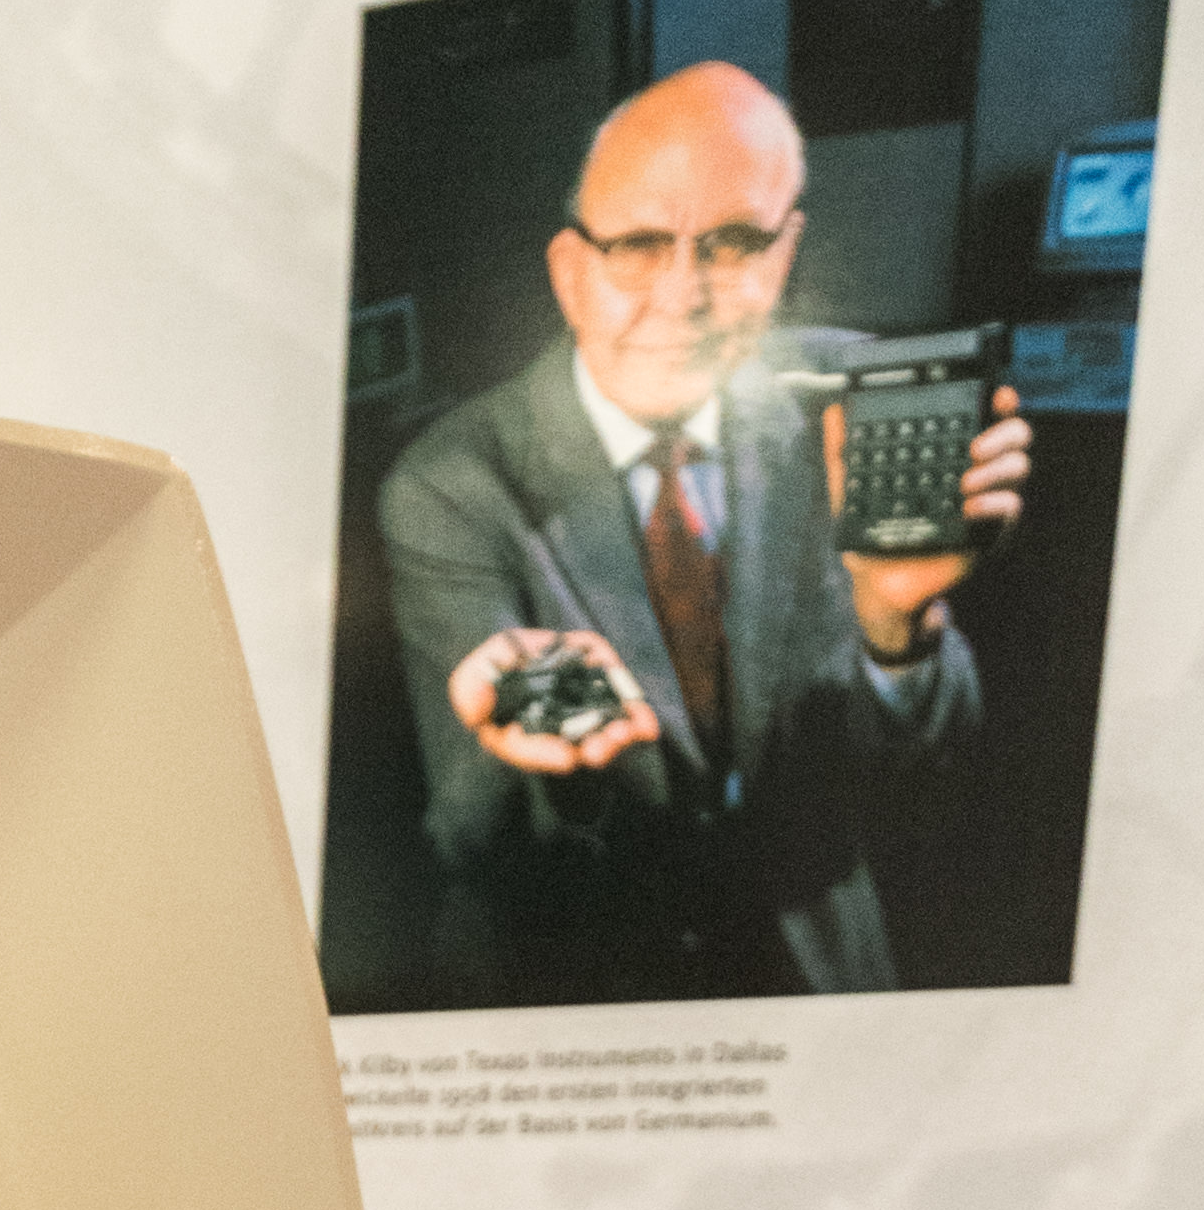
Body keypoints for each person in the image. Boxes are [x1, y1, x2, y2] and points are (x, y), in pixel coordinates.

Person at [378, 59, 1031, 1000]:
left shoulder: (862, 409)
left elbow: (934, 797)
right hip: (577, 992)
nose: (683, 297)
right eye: (638, 245)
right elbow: (471, 842)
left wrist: (898, 620)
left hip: (817, 976)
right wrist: (544, 758)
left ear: (785, 253)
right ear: (570, 273)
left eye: (733, 243)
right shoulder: (449, 484)